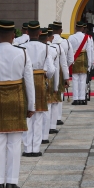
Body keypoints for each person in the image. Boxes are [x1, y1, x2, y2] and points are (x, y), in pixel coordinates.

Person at [0, 19, 35, 188]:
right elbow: (29, 82)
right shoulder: (23, 53)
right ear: (13, 36)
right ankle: (12, 181)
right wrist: (31, 105)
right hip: (17, 97)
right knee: (14, 141)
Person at [18, 21, 54, 156]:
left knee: (26, 115)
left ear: (27, 32)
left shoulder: (21, 47)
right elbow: (50, 69)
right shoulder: (45, 48)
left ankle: (27, 148)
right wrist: (46, 75)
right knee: (38, 115)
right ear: (40, 32)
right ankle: (36, 148)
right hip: (39, 80)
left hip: (24, 81)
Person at [66, 21, 93, 105]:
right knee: (83, 79)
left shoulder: (71, 37)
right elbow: (89, 51)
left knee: (75, 79)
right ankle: (82, 98)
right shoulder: (87, 37)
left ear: (76, 28)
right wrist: (90, 63)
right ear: (82, 28)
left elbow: (68, 50)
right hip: (84, 59)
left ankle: (76, 98)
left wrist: (68, 62)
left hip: (74, 59)